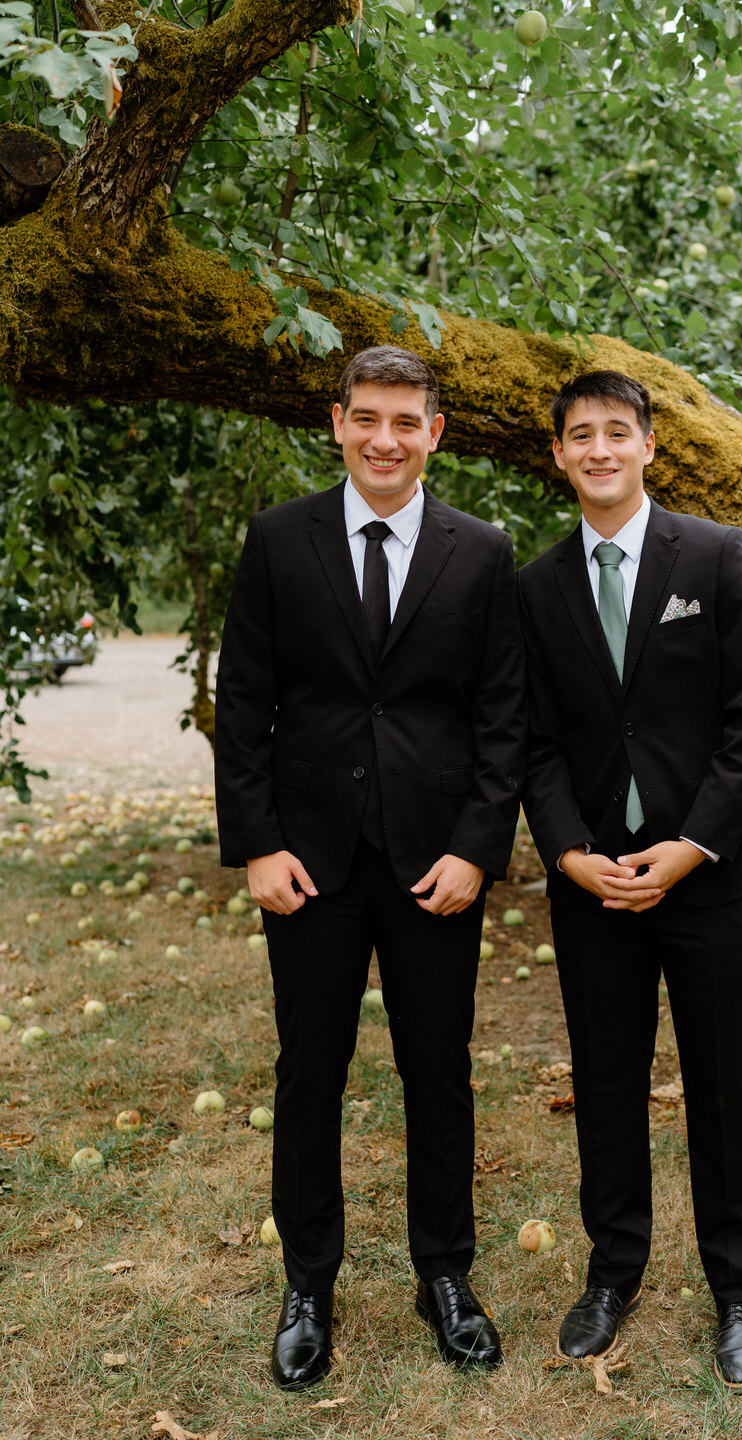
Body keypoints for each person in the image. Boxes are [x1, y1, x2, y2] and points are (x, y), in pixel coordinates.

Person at [214, 346, 526, 1389]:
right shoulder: (275, 539)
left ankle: (446, 1275)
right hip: (309, 862)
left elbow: (501, 719)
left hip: (436, 863)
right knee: (312, 1073)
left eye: (407, 420)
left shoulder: (482, 551)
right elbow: (243, 702)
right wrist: (257, 843)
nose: (385, 439)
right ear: (337, 423)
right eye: (367, 418)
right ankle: (309, 1282)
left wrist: (479, 849)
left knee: (436, 1071)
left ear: (436, 432)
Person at [518, 370, 742, 1390]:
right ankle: (612, 1268)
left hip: (709, 878)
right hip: (594, 884)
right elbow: (534, 740)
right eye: (578, 435)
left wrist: (690, 847)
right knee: (608, 1082)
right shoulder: (536, 587)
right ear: (558, 455)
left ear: (648, 445)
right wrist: (569, 851)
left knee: (725, 1085)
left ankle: (739, 1287)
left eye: (615, 432)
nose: (598, 449)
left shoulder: (715, 558)